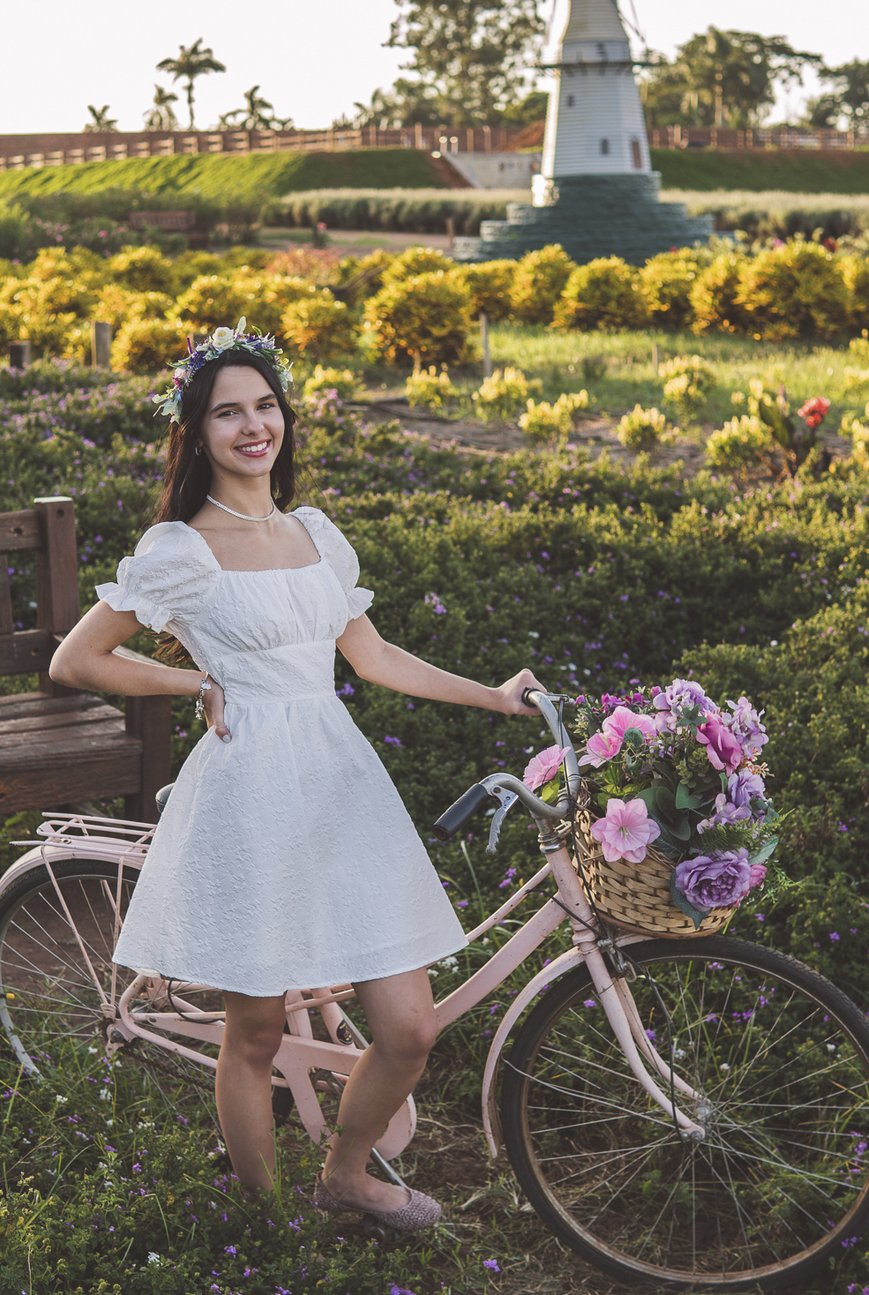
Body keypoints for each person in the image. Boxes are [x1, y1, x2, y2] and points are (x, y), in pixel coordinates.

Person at [50, 320, 542, 1228]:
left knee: (409, 1028)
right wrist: (192, 678)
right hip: (247, 793)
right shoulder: (181, 548)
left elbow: (375, 657)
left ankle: (346, 1175)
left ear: (285, 418)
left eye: (265, 405)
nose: (252, 427)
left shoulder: (315, 532)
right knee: (258, 1031)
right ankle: (270, 1223)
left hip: (339, 784)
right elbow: (76, 658)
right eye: (227, 412)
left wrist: (494, 697)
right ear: (196, 434)